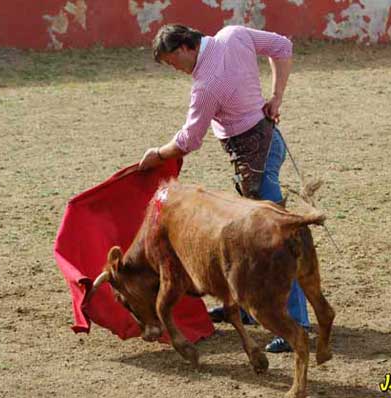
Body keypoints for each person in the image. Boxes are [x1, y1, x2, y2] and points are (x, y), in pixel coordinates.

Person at [138, 23, 309, 353]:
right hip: (267, 143)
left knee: (275, 238)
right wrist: (275, 97)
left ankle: (297, 320)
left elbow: (189, 140)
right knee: (252, 235)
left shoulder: (205, 85)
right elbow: (283, 46)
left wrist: (157, 154)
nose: (175, 69)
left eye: (172, 61)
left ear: (185, 47)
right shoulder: (234, 34)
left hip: (253, 158)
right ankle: (246, 308)